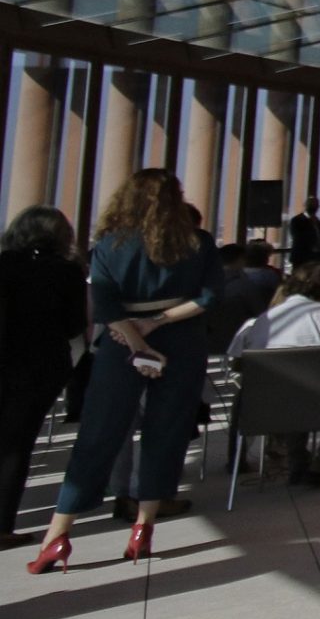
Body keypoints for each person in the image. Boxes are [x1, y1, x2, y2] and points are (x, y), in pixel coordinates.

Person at [26, 169, 220, 573]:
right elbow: (208, 297)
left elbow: (107, 307)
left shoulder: (109, 246)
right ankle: (142, 529)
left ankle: (58, 536)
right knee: (165, 433)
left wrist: (138, 345)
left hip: (122, 345)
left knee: (99, 434)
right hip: (182, 341)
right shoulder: (198, 243)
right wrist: (159, 323)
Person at [229, 262, 320, 486]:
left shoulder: (263, 319)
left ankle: (298, 461)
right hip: (316, 399)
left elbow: (237, 363)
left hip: (265, 405)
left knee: (291, 395)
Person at [0, 208, 86, 544]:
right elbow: (74, 325)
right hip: (39, 365)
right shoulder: (66, 272)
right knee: (15, 446)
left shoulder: (4, 264)